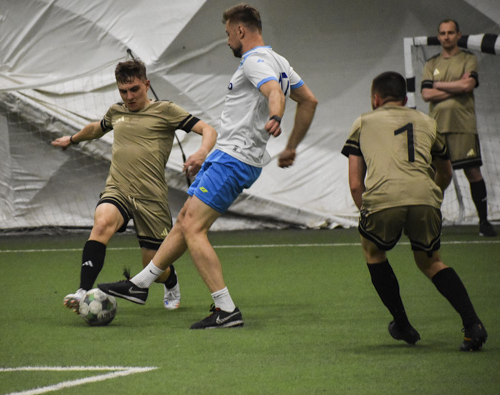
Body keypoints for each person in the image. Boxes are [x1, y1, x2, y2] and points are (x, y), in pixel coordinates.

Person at [97, 3, 318, 329]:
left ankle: (225, 309)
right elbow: (309, 100)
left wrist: (276, 116)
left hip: (232, 158)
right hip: (235, 158)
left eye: (228, 34)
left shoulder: (254, 61)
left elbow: (274, 91)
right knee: (185, 219)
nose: (227, 40)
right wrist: (291, 147)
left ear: (240, 30)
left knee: (192, 228)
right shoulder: (280, 61)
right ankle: (140, 284)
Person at [52, 59, 217, 312]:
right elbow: (96, 129)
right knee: (102, 222)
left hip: (151, 198)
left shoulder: (166, 110)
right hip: (118, 189)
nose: (129, 97)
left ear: (147, 85)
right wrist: (72, 139)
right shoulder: (116, 112)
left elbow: (208, 129)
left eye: (134, 89)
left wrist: (202, 152)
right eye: (123, 91)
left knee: (154, 267)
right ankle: (82, 292)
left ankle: (170, 279)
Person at [342, 71, 487, 351]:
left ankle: (402, 324)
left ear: (375, 98)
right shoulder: (428, 122)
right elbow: (445, 172)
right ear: (406, 98)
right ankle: (473, 325)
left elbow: (355, 183)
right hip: (424, 196)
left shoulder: (363, 122)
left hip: (383, 198)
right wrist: (430, 198)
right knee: (431, 262)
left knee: (374, 252)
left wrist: (366, 211)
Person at [421, 19, 496, 237]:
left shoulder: (468, 59)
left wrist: (438, 85)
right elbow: (426, 94)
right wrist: (456, 86)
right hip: (437, 128)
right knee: (436, 175)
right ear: (439, 36)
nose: (446, 36)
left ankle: (484, 222)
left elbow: (468, 85)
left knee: (473, 172)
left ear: (458, 35)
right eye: (443, 33)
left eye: (451, 32)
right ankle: (431, 219)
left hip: (464, 126)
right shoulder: (431, 63)